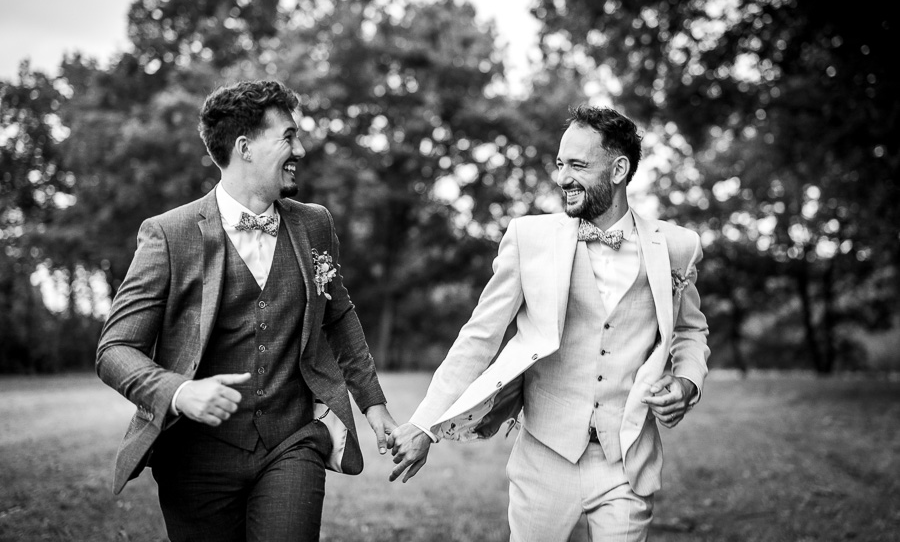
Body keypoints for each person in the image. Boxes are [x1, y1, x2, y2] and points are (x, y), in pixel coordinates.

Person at [388, 106, 710, 542]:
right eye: (560, 164)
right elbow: (480, 336)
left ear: (618, 170)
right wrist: (425, 424)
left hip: (626, 458)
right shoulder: (529, 238)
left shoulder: (677, 247)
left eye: (578, 165)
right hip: (545, 457)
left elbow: (691, 330)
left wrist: (686, 382)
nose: (562, 178)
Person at [96, 80, 395, 542]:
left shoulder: (315, 224)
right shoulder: (168, 234)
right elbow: (115, 348)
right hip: (195, 458)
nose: (302, 147)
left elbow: (340, 317)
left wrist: (373, 404)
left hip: (291, 442)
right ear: (245, 147)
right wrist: (178, 392)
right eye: (289, 137)